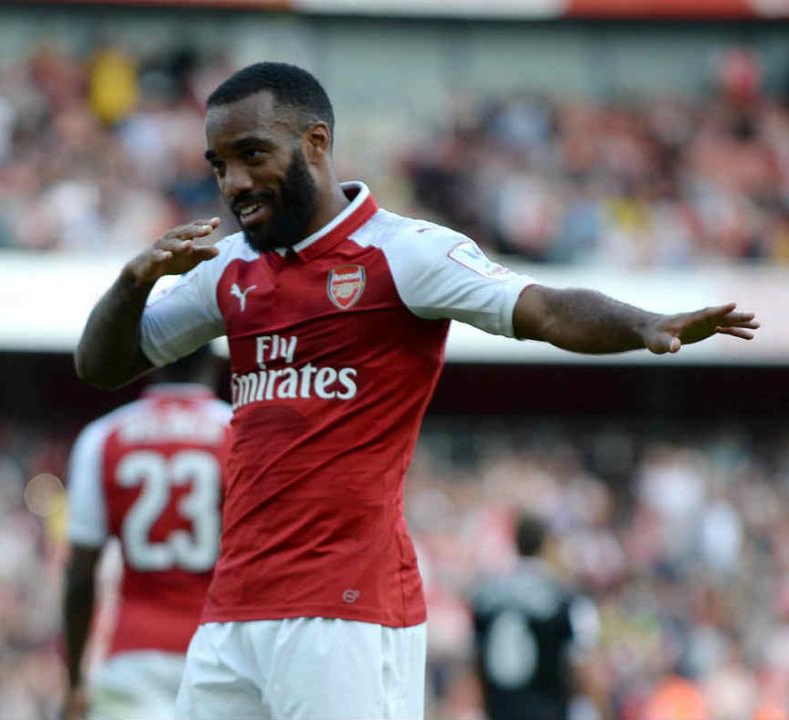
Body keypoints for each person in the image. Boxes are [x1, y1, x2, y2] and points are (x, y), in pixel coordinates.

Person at [73, 62, 759, 720]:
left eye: (251, 154)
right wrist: (135, 282)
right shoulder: (229, 270)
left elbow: (542, 307)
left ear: (315, 143)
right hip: (231, 612)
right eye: (219, 165)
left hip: (346, 611)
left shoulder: (402, 253)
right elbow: (101, 367)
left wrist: (645, 324)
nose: (234, 182)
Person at [63, 347, 231, 720]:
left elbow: (80, 574)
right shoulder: (238, 432)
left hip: (132, 656)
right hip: (219, 654)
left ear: (149, 361)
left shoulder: (104, 436)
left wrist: (74, 678)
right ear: (213, 361)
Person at [471, 513, 606, 720]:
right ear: (546, 545)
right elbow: (584, 669)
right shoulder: (566, 600)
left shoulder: (485, 597)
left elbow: (474, 663)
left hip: (499, 710)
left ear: (516, 543)